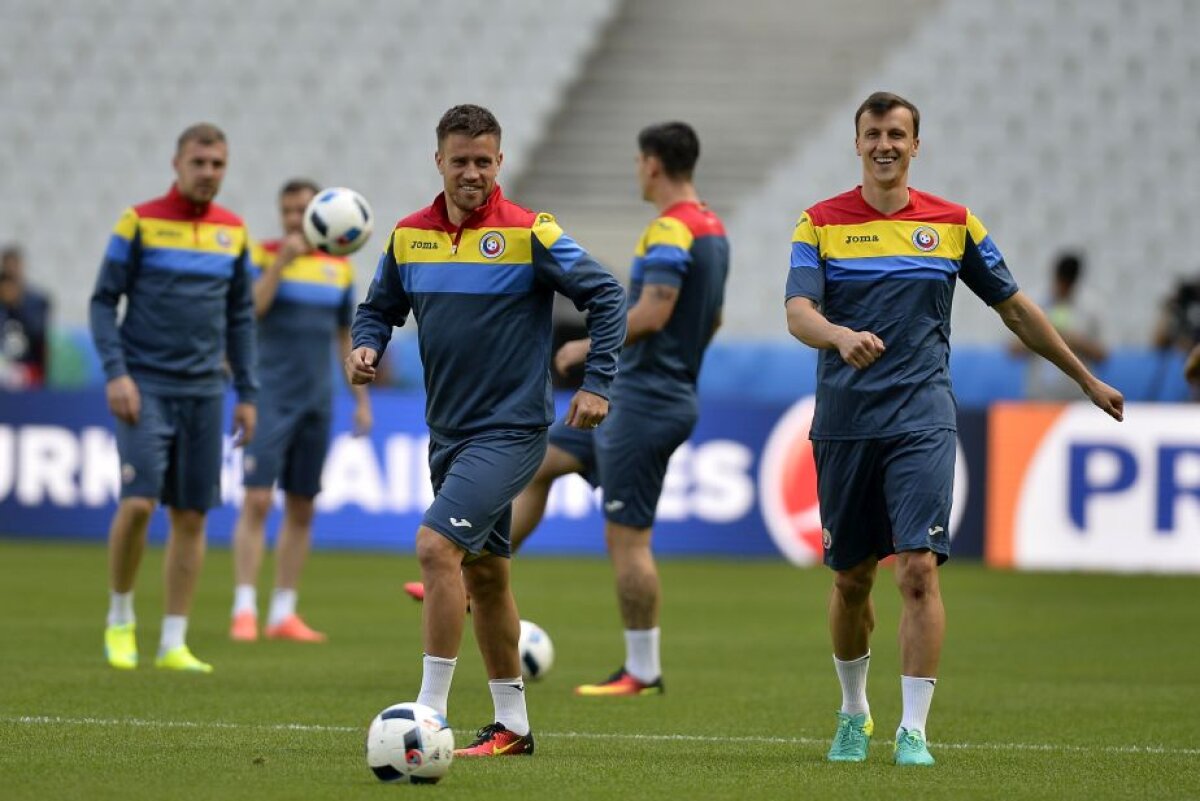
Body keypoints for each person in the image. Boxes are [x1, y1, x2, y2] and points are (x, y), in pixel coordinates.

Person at [784, 92, 1124, 766]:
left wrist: (1085, 377)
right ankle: (855, 710)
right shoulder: (818, 223)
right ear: (857, 144)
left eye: (898, 134)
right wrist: (838, 335)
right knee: (852, 581)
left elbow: (1016, 308)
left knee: (917, 571)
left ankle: (914, 728)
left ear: (917, 144)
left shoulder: (952, 223)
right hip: (846, 425)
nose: (885, 144)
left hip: (922, 419)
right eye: (874, 133)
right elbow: (797, 311)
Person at [403, 121, 730, 698]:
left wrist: (588, 350)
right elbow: (712, 319)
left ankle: (642, 667)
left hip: (644, 396)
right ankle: (466, 563)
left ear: (651, 164)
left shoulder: (670, 230)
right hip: (664, 389)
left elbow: (651, 311)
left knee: (628, 537)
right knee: (544, 463)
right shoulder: (712, 228)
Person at [346, 104, 625, 757]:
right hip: (448, 432)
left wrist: (597, 382)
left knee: (435, 548)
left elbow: (606, 295)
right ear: (439, 161)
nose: (472, 172)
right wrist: (366, 345)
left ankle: (428, 716)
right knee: (488, 576)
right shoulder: (408, 236)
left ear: (499, 162)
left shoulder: (532, 232)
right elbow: (378, 308)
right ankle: (514, 727)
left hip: (512, 430)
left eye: (483, 160)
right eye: (460, 160)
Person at [90, 123, 258, 674]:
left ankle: (173, 642)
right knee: (138, 503)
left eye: (218, 165)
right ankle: (120, 619)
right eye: (200, 162)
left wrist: (246, 392)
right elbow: (102, 302)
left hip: (207, 391)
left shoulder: (233, 232)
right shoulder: (138, 222)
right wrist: (116, 374)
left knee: (191, 515)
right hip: (146, 387)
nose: (209, 173)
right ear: (177, 163)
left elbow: (240, 317)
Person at [228, 179, 373, 644]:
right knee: (256, 500)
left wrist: (362, 401)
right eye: (288, 210)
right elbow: (250, 310)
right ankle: (244, 607)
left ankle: (284, 612)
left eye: (301, 210)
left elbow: (343, 338)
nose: (294, 218)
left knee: (302, 505)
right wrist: (280, 265)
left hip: (317, 400)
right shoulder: (260, 255)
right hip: (270, 397)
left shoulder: (338, 268)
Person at [1011, 251, 1108, 400]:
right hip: (1038, 398)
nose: (1063, 288)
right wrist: (1043, 338)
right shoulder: (1033, 302)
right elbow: (1013, 350)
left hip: (1077, 399)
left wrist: (1077, 342)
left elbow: (1103, 355)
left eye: (1068, 284)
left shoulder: (1090, 307)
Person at [0, 245, 51, 390]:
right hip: (4, 363)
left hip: (28, 367)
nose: (11, 272)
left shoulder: (37, 301)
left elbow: (38, 335)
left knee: (14, 377)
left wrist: (17, 306)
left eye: (14, 266)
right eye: (7, 267)